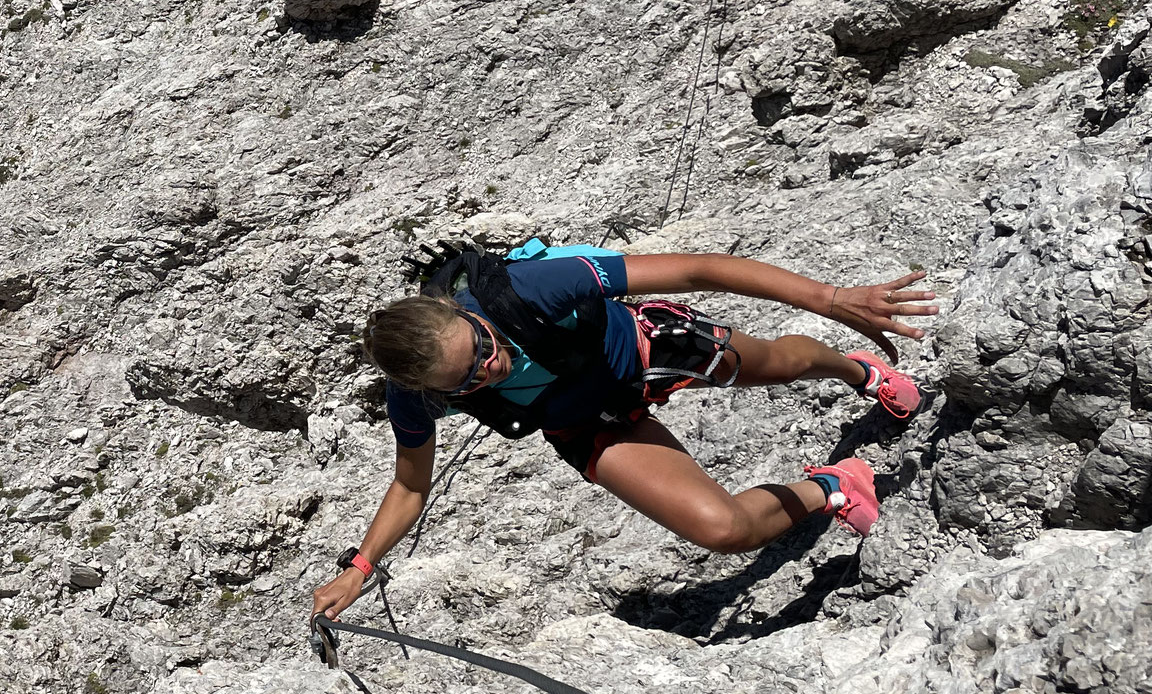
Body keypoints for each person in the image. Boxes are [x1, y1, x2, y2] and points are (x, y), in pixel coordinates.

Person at [311, 246, 937, 622]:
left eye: (481, 346)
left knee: (782, 364)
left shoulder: (527, 291)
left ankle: (857, 369)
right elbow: (409, 484)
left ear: (459, 313)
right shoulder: (415, 395)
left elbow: (697, 270)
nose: (492, 366)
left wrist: (831, 298)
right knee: (724, 531)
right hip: (584, 423)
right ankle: (834, 485)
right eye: (469, 378)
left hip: (640, 351)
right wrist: (361, 568)